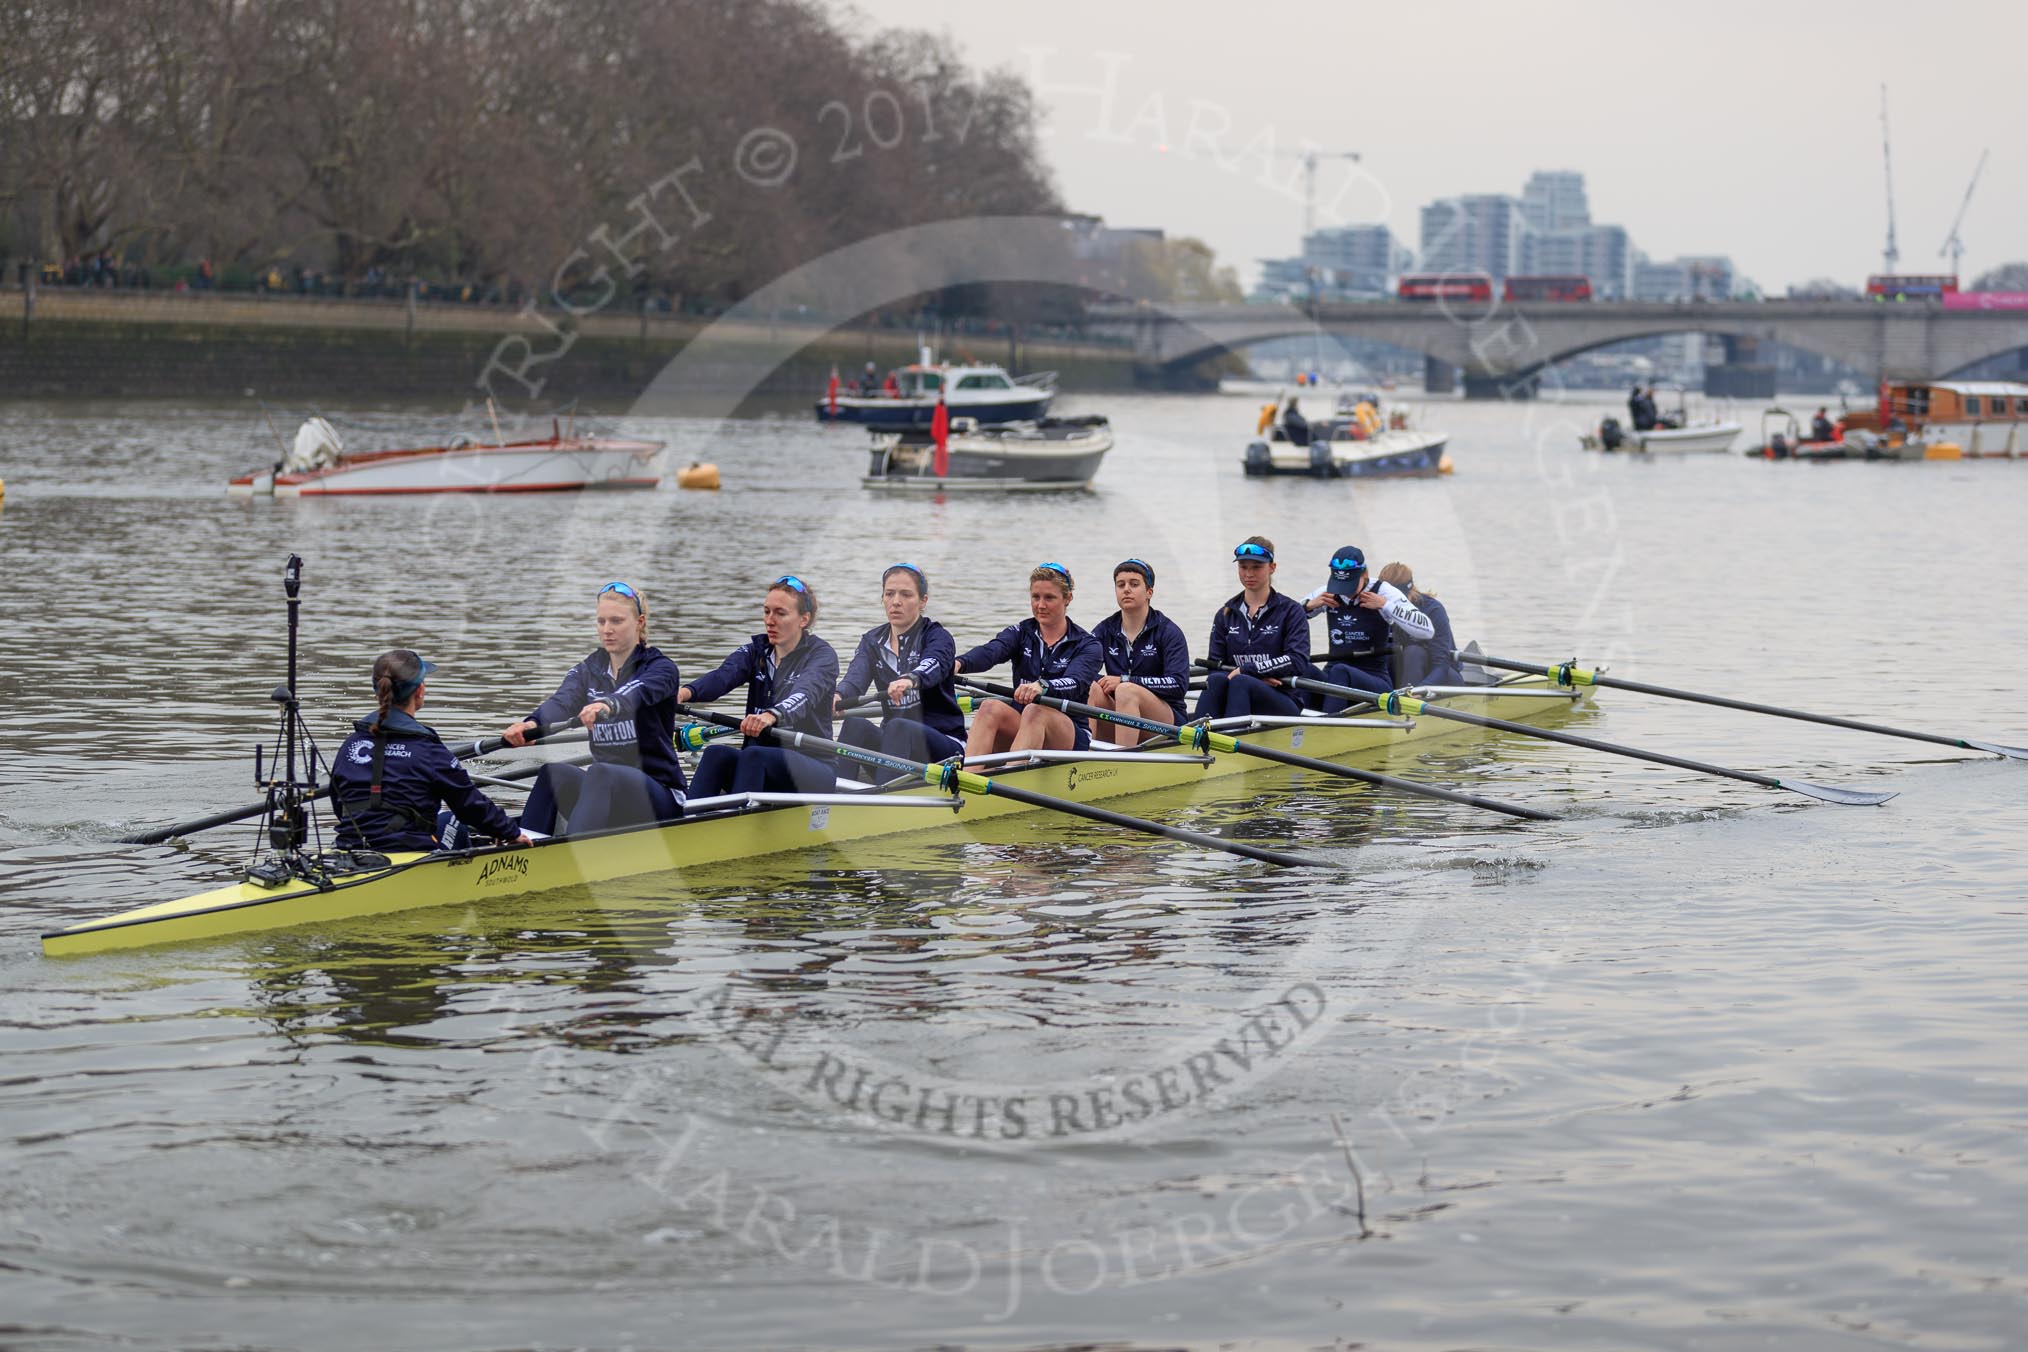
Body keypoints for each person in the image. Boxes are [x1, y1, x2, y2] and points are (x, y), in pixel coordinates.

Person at [503, 581, 686, 836]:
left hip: (660, 795)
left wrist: (607, 704)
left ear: (640, 622)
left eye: (616, 621)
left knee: (601, 772)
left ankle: (579, 856)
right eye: (601, 622)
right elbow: (562, 701)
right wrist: (531, 724)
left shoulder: (661, 669)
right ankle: (523, 852)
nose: (607, 630)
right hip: (607, 789)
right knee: (552, 773)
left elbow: (636, 693)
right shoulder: (589, 669)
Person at [332, 649, 529, 853]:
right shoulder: (428, 749)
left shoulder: (351, 744)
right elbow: (469, 805)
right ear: (419, 690)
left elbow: (340, 806)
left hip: (351, 847)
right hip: (407, 851)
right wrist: (510, 832)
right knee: (451, 819)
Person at [680, 575, 840, 797]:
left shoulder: (821, 656)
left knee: (754, 755)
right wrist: (682, 693)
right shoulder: (756, 652)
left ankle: (736, 825)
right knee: (716, 753)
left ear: (804, 619)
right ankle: (687, 820)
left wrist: (771, 715)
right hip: (761, 762)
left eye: (780, 613)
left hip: (814, 768)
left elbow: (805, 692)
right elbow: (722, 677)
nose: (770, 621)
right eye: (767, 611)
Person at [954, 562, 1101, 755]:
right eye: (1035, 597)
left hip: (1069, 733)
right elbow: (991, 652)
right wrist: (958, 663)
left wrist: (1043, 686)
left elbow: (1076, 682)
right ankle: (969, 776)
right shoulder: (1021, 633)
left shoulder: (1087, 644)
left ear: (1068, 598)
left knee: (1035, 710)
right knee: (989, 707)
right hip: (1023, 723)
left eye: (1049, 598)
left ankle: (1011, 773)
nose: (1040, 605)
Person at [834, 562, 967, 778]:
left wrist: (910, 679)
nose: (896, 602)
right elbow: (855, 678)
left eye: (906, 594)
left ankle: (884, 804)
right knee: (854, 724)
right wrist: (839, 695)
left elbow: (932, 664)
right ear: (883, 598)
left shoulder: (937, 636)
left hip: (944, 748)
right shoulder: (872, 641)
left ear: (923, 601)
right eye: (890, 594)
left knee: (899, 726)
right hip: (896, 745)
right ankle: (832, 799)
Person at [1299, 545, 1435, 710]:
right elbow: (1282, 619)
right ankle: (1296, 725)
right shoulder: (1326, 593)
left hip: (1375, 680)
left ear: (1364, 575)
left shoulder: (1385, 592)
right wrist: (1306, 607)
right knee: (1301, 666)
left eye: (1349, 585)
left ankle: (1328, 726)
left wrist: (1386, 606)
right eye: (1340, 585)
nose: (1344, 593)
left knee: (1341, 671)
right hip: (1334, 676)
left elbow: (1427, 630)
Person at [1193, 537, 1311, 720]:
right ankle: (1196, 737)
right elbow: (1215, 666)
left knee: (1241, 681)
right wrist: (1256, 676)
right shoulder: (1225, 614)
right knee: (1215, 680)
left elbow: (1297, 660)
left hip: (1283, 698)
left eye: (1256, 567)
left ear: (1272, 567)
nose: (1249, 574)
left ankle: (1228, 739)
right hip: (1241, 689)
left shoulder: (1291, 611)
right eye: (1243, 567)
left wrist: (1249, 671)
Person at [1087, 558, 1191, 748]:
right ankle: (1084, 754)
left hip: (1166, 720)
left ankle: (1123, 761)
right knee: (1091, 685)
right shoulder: (1104, 630)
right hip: (1124, 713)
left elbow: (1178, 685)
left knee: (1126, 690)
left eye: (1134, 584)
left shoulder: (1169, 632)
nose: (1126, 589)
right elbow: (1079, 667)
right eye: (1121, 585)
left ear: (1149, 592)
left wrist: (1125, 680)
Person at [1374, 562, 1461, 687]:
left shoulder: (1432, 610)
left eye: (1397, 599)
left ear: (1409, 591)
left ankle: (1405, 698)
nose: (1391, 605)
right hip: (1402, 673)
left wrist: (1417, 692)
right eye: (1387, 599)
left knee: (1414, 651)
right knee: (1386, 653)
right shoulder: (1376, 605)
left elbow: (1441, 665)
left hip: (1441, 677)